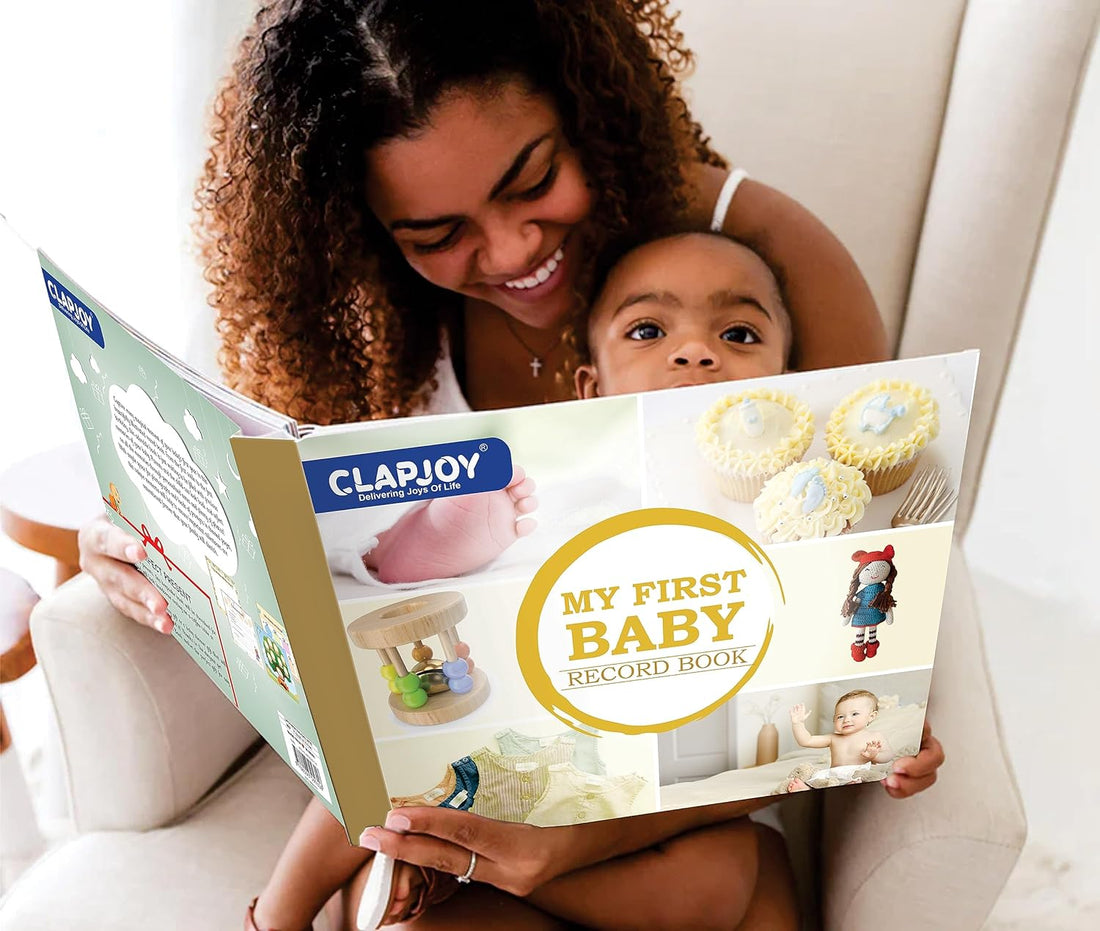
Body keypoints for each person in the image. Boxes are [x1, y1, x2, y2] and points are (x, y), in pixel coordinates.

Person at [74, 2, 945, 928]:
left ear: (583, 111)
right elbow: (278, 511)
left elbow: (845, 617)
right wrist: (144, 528)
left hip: (685, 789)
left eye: (532, 181)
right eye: (436, 234)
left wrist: (569, 848)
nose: (513, 250)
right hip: (477, 768)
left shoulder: (746, 262)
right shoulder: (375, 320)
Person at [787, 691, 894, 792]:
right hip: (834, 776)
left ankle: (850, 789)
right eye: (840, 716)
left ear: (871, 716)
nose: (846, 719)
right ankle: (807, 790)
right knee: (820, 782)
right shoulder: (833, 738)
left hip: (858, 774)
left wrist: (874, 756)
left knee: (868, 782)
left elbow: (888, 755)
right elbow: (806, 741)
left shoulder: (874, 736)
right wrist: (798, 723)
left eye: (854, 714)